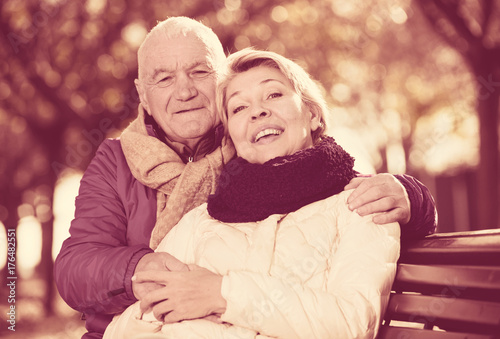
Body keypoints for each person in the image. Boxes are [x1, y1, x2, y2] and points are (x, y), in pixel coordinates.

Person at [54, 17, 436, 339]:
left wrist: (412, 195)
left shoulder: (260, 148)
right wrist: (139, 269)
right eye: (164, 78)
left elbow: (338, 185)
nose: (185, 90)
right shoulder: (121, 164)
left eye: (199, 71)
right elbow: (77, 267)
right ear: (143, 94)